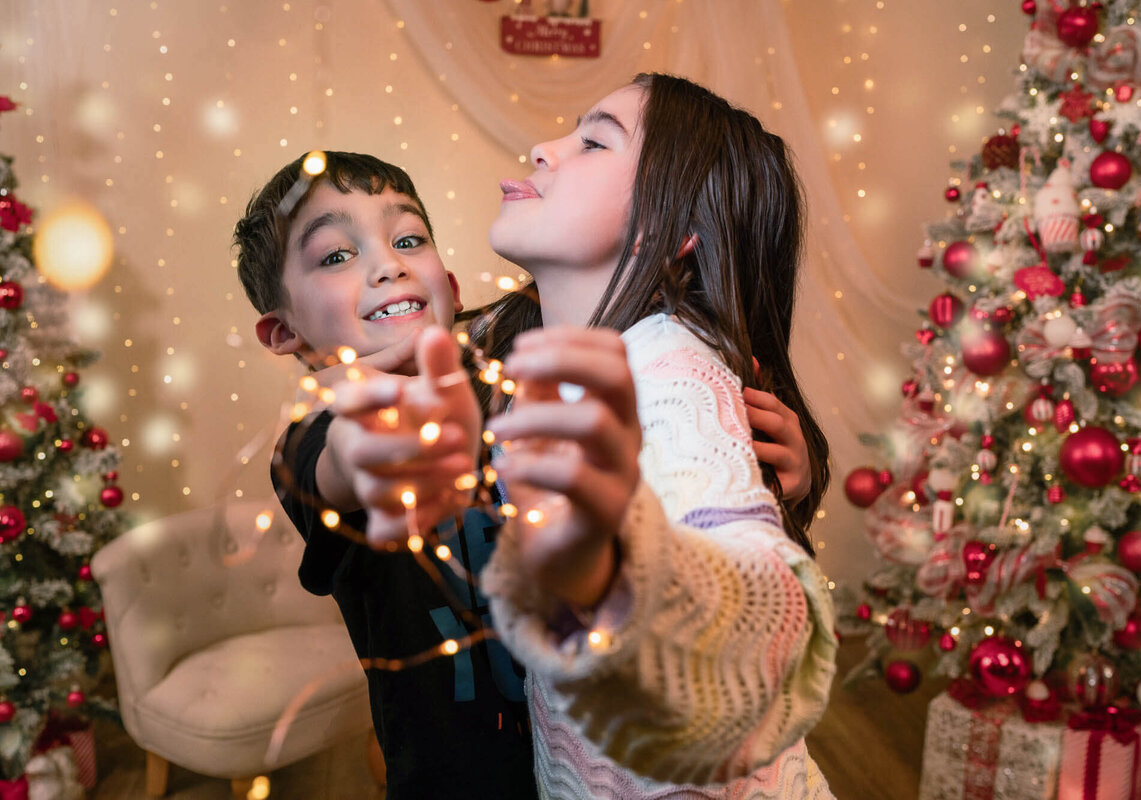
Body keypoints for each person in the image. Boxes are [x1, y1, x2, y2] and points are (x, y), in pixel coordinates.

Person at [337, 73, 837, 798]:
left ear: (671, 226)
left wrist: (627, 571)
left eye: (594, 140)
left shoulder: (667, 368)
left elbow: (753, 628)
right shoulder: (523, 344)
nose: (542, 150)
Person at [233, 151, 537, 799]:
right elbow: (335, 464)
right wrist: (360, 443)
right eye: (336, 256)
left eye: (408, 239)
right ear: (284, 332)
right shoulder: (306, 445)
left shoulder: (511, 375)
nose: (388, 264)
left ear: (451, 291)